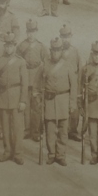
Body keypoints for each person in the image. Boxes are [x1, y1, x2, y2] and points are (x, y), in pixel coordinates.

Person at [41, 38, 78, 166]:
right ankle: (51, 154)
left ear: (61, 51)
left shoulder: (68, 65)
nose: (55, 53)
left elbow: (74, 86)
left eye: (58, 50)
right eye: (53, 51)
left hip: (63, 100)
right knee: (50, 130)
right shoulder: (45, 64)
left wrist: (72, 103)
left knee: (63, 131)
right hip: (49, 100)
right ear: (50, 51)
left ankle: (61, 155)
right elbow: (38, 83)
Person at [0, 35, 29, 164]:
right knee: (5, 127)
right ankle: (7, 151)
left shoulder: (20, 61)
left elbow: (25, 83)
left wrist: (23, 100)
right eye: (6, 46)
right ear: (4, 46)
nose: (8, 48)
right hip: (3, 97)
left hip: (16, 97)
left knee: (18, 128)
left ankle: (18, 154)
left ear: (14, 46)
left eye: (11, 46)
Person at [18, 19, 47, 142]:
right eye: (29, 32)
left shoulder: (41, 46)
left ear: (36, 32)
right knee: (26, 106)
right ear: (26, 32)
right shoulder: (21, 46)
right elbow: (17, 63)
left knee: (36, 107)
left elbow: (46, 64)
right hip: (25, 78)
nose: (31, 35)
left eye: (33, 32)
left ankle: (36, 131)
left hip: (37, 79)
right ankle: (27, 129)